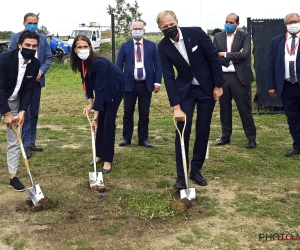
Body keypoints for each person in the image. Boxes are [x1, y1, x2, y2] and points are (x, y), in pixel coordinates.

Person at [156, 10, 223, 188]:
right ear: (160, 28)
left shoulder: (196, 33)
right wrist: (176, 106)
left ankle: (196, 170)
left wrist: (218, 85)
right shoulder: (162, 47)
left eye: (172, 24)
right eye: (165, 27)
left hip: (206, 89)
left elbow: (213, 58)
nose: (170, 28)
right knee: (182, 131)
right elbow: (168, 77)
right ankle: (181, 175)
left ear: (177, 22)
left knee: (203, 129)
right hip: (185, 91)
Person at [70, 35, 124, 174]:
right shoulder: (82, 63)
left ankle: (108, 160)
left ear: (90, 47)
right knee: (100, 123)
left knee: (107, 123)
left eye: (85, 47)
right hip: (103, 90)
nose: (83, 50)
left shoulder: (99, 63)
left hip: (114, 90)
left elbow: (100, 91)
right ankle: (99, 154)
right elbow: (87, 84)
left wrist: (95, 117)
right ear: (75, 49)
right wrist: (90, 103)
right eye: (79, 47)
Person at [8, 12, 52, 159]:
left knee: (34, 112)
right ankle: (24, 144)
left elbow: (48, 58)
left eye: (35, 22)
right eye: (30, 22)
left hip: (37, 81)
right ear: (24, 23)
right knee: (24, 112)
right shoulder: (16, 37)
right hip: (22, 81)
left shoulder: (43, 39)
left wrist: (41, 70)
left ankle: (32, 141)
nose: (33, 24)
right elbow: (11, 56)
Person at [0, 30, 40, 191]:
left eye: (34, 46)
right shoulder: (4, 59)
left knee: (15, 140)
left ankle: (13, 176)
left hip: (15, 101)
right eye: (27, 45)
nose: (31, 48)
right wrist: (7, 113)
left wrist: (22, 111)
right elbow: (0, 88)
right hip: (2, 97)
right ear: (19, 45)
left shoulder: (35, 64)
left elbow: (28, 90)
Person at [213, 13, 256, 148]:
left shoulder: (244, 36)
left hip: (240, 78)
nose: (228, 24)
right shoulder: (218, 36)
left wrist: (224, 54)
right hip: (223, 78)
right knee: (224, 109)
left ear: (237, 23)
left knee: (244, 109)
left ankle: (251, 138)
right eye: (227, 21)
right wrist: (233, 57)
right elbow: (214, 56)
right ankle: (225, 136)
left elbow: (245, 54)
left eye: (231, 22)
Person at [116, 21, 162, 148]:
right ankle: (127, 137)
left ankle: (143, 139)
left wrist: (157, 82)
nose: (137, 30)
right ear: (131, 31)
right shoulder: (124, 46)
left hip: (146, 85)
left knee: (144, 113)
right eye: (135, 28)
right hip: (129, 84)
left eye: (139, 28)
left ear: (144, 30)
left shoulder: (152, 45)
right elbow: (119, 66)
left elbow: (158, 65)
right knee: (128, 112)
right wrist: (118, 83)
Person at [268, 13, 300, 157]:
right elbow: (271, 65)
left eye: (295, 21)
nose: (293, 23)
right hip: (287, 85)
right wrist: (271, 85)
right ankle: (297, 145)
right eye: (290, 22)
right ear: (285, 24)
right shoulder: (277, 41)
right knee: (292, 117)